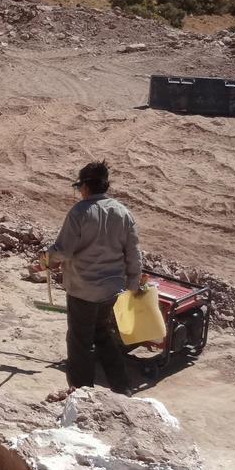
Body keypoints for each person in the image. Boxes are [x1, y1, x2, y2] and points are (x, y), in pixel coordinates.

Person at [42, 161, 140, 394]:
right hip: (111, 292)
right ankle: (122, 387)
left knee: (79, 343)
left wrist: (45, 258)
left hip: (82, 290)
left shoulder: (80, 212)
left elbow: (63, 251)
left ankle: (82, 396)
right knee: (104, 335)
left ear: (85, 186)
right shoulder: (123, 213)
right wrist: (134, 285)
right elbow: (134, 253)